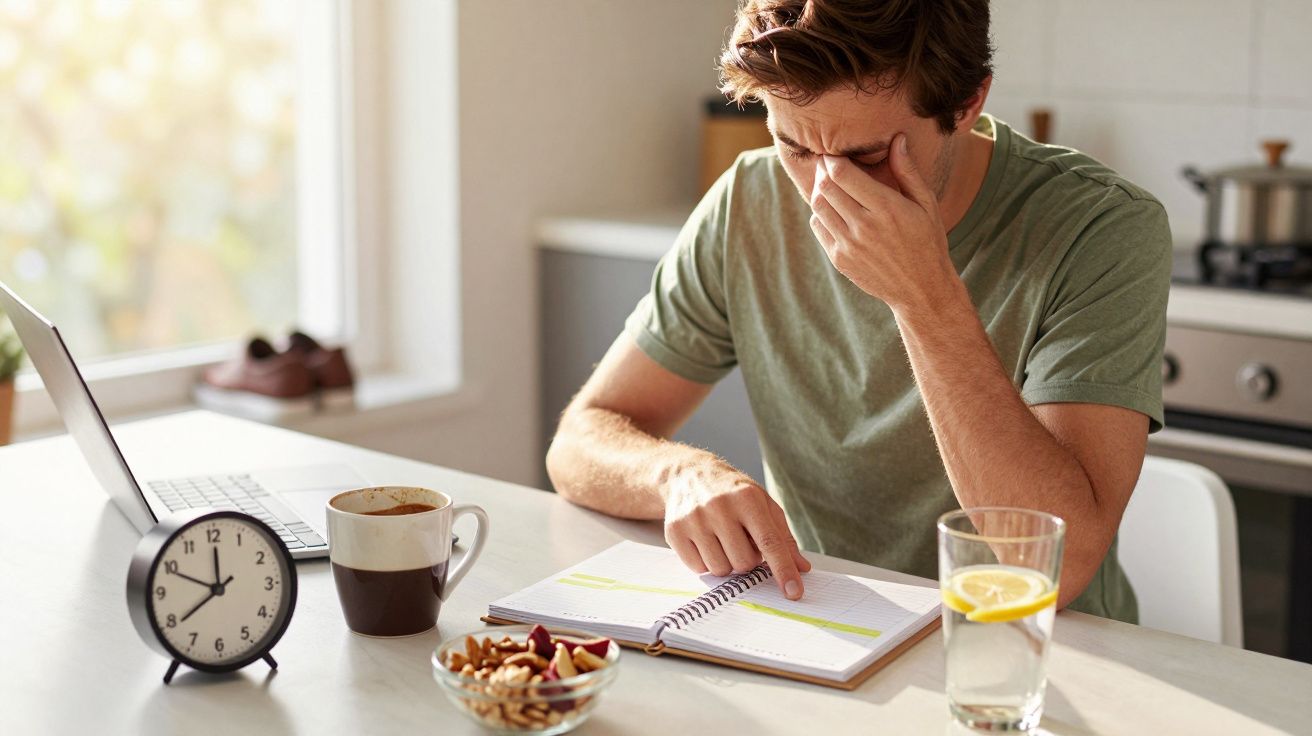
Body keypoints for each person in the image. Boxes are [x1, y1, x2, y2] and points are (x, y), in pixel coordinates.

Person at [546, 0, 1170, 622]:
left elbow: (1051, 573)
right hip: (826, 625)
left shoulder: (1103, 227)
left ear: (967, 103)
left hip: (1032, 653)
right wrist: (677, 475)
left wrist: (925, 297)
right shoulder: (748, 200)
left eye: (869, 157)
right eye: (793, 146)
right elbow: (580, 439)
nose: (824, 193)